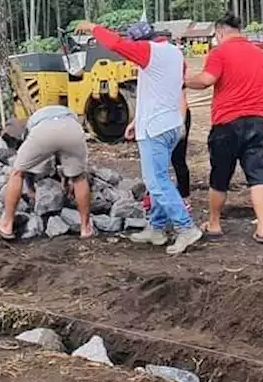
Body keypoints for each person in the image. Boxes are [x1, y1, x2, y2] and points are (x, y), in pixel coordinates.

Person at [78, 19, 201, 254]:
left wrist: (93, 28)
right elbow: (159, 91)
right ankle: (156, 228)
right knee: (160, 178)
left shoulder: (148, 52)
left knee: (156, 182)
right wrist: (137, 120)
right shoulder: (174, 53)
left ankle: (186, 228)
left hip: (155, 128)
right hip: (169, 123)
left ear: (139, 41)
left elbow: (115, 44)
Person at [185, 14, 263, 243]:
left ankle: (214, 223)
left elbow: (206, 80)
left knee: (220, 176)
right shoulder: (261, 55)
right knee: (258, 178)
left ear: (220, 32)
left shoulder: (219, 53)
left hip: (227, 123)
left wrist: (183, 80)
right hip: (256, 121)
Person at [0, 104, 94, 240]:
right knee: (79, 177)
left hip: (44, 131)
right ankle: (86, 228)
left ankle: (6, 225)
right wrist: (67, 179)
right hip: (72, 129)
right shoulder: (68, 113)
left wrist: (31, 190)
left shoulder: (30, 124)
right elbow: (62, 155)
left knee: (17, 172)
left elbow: (29, 168)